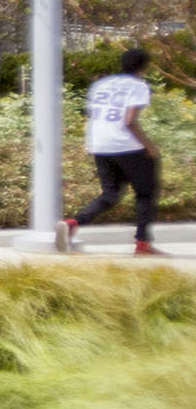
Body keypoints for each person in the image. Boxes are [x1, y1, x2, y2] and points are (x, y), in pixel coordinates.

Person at [67, 46, 166, 257]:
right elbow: (129, 122)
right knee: (146, 192)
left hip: (99, 143)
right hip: (126, 145)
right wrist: (150, 147)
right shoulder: (138, 85)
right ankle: (143, 244)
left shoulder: (101, 84)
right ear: (143, 66)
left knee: (111, 193)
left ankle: (73, 222)